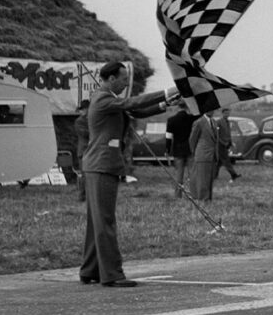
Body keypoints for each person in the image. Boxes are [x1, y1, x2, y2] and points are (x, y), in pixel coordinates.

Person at [79, 61, 175, 288]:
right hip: (101, 165)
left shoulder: (106, 97)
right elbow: (133, 103)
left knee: (97, 222)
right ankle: (112, 274)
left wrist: (167, 102)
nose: (125, 83)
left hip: (99, 165)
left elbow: (136, 110)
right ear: (111, 78)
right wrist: (166, 91)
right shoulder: (104, 98)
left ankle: (90, 270)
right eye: (123, 79)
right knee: (105, 221)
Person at [187, 111, 219, 199]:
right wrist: (196, 152)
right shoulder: (199, 122)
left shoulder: (214, 122)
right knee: (202, 179)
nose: (212, 111)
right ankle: (202, 199)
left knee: (209, 179)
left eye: (213, 108)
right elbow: (192, 140)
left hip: (212, 155)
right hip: (202, 155)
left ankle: (208, 198)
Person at [166, 107, 194, 196]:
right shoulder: (191, 118)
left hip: (177, 150)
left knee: (179, 173)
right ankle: (193, 193)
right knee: (192, 173)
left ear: (177, 108)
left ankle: (178, 194)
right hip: (189, 148)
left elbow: (168, 137)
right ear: (187, 108)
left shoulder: (171, 120)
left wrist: (167, 149)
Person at [215, 108, 241, 181]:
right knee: (226, 160)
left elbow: (228, 133)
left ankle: (214, 175)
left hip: (226, 144)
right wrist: (222, 142)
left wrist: (230, 142)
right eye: (226, 113)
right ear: (222, 113)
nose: (227, 114)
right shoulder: (219, 122)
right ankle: (233, 174)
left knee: (219, 162)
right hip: (220, 145)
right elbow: (217, 135)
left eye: (228, 113)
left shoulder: (228, 122)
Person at [72, 99, 90, 203]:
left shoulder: (92, 119)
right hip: (83, 151)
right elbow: (85, 133)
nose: (81, 111)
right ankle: (82, 197)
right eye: (81, 110)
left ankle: (89, 196)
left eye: (83, 109)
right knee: (84, 175)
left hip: (90, 150)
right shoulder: (79, 121)